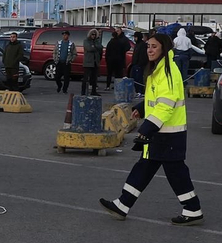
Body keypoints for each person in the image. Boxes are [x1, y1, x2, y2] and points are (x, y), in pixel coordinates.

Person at [100, 33, 203, 226]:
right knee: (145, 168)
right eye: (148, 46)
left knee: (175, 172)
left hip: (168, 134)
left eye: (154, 46)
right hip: (161, 133)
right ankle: (123, 204)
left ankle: (192, 208)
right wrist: (141, 108)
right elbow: (157, 99)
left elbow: (166, 105)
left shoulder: (168, 71)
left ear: (164, 48)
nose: (149, 50)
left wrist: (147, 128)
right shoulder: (160, 69)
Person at [83, 28, 103, 96]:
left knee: (94, 78)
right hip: (88, 62)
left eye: (94, 34)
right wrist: (94, 47)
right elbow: (89, 48)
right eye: (92, 34)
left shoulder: (97, 41)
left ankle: (93, 91)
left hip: (95, 62)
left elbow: (100, 47)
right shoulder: (86, 41)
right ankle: (83, 91)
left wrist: (94, 46)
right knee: (86, 78)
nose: (93, 36)